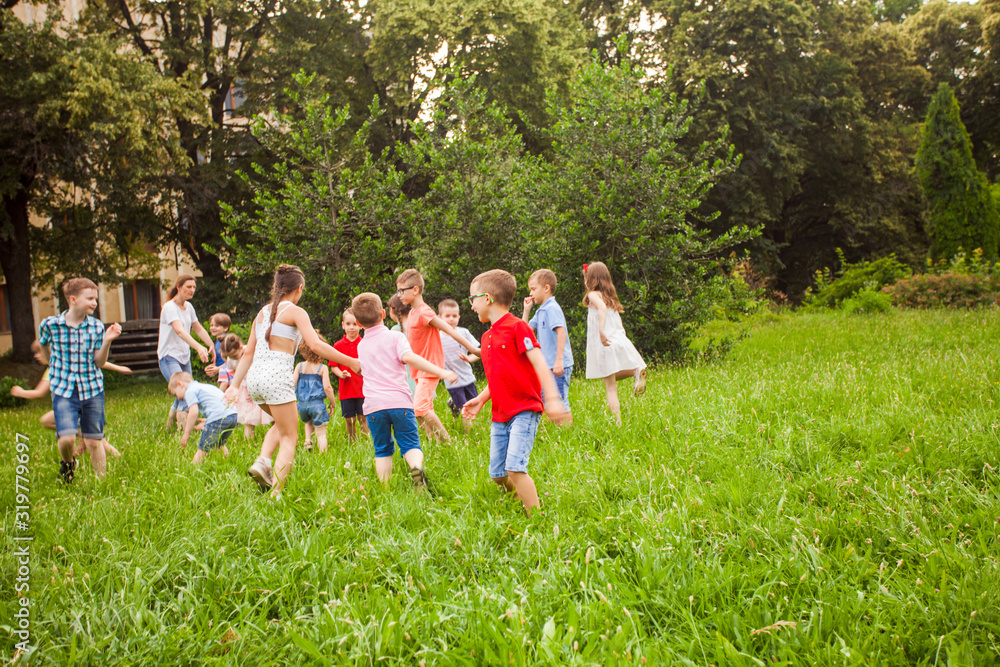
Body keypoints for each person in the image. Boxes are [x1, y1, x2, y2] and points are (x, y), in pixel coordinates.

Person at [226, 264, 360, 499]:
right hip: (277, 379)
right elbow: (317, 345)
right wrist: (350, 361)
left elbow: (247, 354)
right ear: (299, 289)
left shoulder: (262, 313)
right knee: (290, 437)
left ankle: (263, 462)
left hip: (256, 381)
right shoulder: (296, 312)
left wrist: (235, 385)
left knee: (280, 425)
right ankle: (276, 494)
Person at [461, 269, 569, 516]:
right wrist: (481, 398)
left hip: (524, 409)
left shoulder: (518, 328)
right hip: (500, 414)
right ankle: (518, 500)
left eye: (472, 299)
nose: (471, 306)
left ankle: (536, 519)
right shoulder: (487, 336)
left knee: (515, 469)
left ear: (487, 298)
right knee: (498, 475)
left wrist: (552, 400)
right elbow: (498, 376)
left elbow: (540, 364)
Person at [351, 292, 458, 486]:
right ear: (383, 314)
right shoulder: (395, 337)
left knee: (382, 449)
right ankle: (415, 468)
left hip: (374, 407)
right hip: (399, 403)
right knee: (410, 444)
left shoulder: (361, 346)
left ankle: (385, 487)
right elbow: (408, 357)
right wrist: (440, 371)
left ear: (358, 324)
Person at [38, 277, 123, 482]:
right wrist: (52, 363)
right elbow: (44, 345)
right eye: (90, 298)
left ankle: (101, 482)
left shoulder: (95, 327)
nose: (95, 302)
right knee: (66, 438)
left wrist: (107, 341)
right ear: (73, 299)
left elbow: (99, 362)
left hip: (92, 388)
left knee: (94, 441)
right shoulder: (50, 325)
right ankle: (68, 464)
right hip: (63, 389)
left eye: (96, 298)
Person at [395, 269, 479, 442]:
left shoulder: (424, 312)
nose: (399, 295)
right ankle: (434, 442)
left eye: (402, 290)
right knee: (424, 409)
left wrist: (474, 349)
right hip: (418, 369)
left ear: (416, 289)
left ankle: (448, 442)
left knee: (420, 408)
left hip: (430, 367)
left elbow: (449, 329)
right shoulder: (412, 312)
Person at [11, 340, 127, 458]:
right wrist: (119, 368)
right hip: (72, 409)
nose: (36, 356)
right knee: (47, 421)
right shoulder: (51, 369)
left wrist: (21, 392)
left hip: (84, 406)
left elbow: (97, 362)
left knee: (99, 442)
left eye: (39, 352)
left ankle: (119, 458)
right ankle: (80, 439)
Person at [582, 262, 647, 423]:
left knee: (610, 387)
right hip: (617, 340)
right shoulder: (610, 297)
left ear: (591, 278)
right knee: (609, 378)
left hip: (605, 343)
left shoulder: (592, 295)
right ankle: (635, 371)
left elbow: (601, 309)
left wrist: (602, 332)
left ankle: (617, 423)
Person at [157, 274, 213, 430]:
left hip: (184, 357)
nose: (192, 290)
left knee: (184, 391)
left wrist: (210, 345)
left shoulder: (189, 307)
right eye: (189, 286)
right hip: (169, 357)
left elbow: (198, 328)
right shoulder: (169, 307)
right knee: (185, 391)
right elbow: (180, 331)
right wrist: (198, 347)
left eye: (194, 287)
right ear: (178, 287)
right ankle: (183, 431)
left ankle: (169, 427)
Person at [522, 268, 574, 425]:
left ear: (546, 288)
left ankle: (567, 434)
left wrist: (559, 361)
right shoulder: (540, 311)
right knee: (548, 400)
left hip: (558, 364)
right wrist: (526, 310)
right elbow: (525, 330)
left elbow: (561, 333)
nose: (531, 293)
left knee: (559, 401)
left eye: (533, 289)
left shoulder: (552, 308)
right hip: (548, 366)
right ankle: (559, 430)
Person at [168, 372, 238, 464]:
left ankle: (193, 467)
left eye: (176, 394)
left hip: (219, 417)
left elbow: (193, 412)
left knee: (203, 447)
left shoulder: (190, 391)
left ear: (180, 384)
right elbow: (217, 405)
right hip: (232, 415)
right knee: (219, 444)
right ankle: (228, 461)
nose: (178, 398)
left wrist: (186, 433)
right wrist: (207, 421)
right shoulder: (204, 386)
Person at [220, 333, 272, 440]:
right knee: (248, 418)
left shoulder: (251, 352)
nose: (233, 358)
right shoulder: (231, 359)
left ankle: (278, 434)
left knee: (271, 413)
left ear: (240, 346)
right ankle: (249, 442)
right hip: (244, 387)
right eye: (230, 356)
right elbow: (236, 373)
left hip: (258, 385)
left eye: (235, 355)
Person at [329, 309, 369, 442]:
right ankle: (353, 443)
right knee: (350, 420)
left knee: (363, 418)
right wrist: (342, 374)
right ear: (343, 325)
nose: (351, 327)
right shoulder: (338, 346)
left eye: (355, 324)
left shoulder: (364, 344)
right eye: (348, 324)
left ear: (360, 325)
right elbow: (333, 366)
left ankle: (365, 443)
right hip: (346, 390)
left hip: (363, 390)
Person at [437, 299, 479, 422]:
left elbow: (478, 352)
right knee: (465, 410)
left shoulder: (463, 333)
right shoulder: (437, 338)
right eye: (447, 316)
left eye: (454, 316)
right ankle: (470, 436)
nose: (451, 319)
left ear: (459, 317)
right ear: (439, 317)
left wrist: (469, 358)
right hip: (453, 382)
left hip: (467, 377)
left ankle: (453, 403)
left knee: (474, 403)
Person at [294, 337, 336, 453]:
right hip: (317, 404)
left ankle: (308, 441)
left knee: (308, 422)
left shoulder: (300, 366)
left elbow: (292, 383)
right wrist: (332, 403)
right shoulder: (322, 368)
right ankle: (323, 455)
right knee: (321, 432)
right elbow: (327, 387)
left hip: (302, 404)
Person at [387, 295, 416, 397]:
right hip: (421, 374)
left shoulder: (395, 330)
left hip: (404, 377)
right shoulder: (417, 327)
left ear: (391, 310)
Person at [205, 313, 233, 392]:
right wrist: (213, 366)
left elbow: (232, 360)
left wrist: (218, 369)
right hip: (224, 371)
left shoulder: (225, 342)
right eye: (212, 325)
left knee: (224, 393)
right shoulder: (218, 341)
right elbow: (221, 360)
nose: (213, 328)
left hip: (229, 373)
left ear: (225, 328)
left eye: (217, 326)